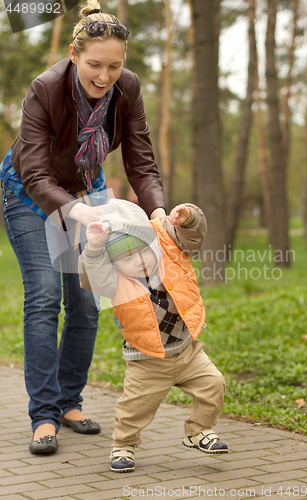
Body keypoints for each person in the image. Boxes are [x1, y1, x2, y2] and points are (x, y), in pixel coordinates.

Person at [0, 0, 165, 455]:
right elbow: (34, 172)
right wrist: (76, 212)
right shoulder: (45, 89)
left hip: (88, 190)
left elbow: (141, 162)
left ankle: (69, 401)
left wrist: (157, 211)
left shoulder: (127, 90)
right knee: (46, 296)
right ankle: (43, 414)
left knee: (87, 305)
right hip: (29, 194)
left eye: (115, 66)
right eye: (94, 64)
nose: (104, 75)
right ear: (74, 55)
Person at [79, 198, 228, 473]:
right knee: (134, 409)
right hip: (146, 360)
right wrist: (96, 248)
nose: (139, 261)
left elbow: (192, 237)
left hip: (187, 351)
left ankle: (198, 431)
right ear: (114, 263)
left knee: (214, 385)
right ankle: (123, 445)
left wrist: (189, 219)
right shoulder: (114, 281)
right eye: (126, 258)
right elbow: (94, 277)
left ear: (154, 246)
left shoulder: (171, 254)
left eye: (143, 252)